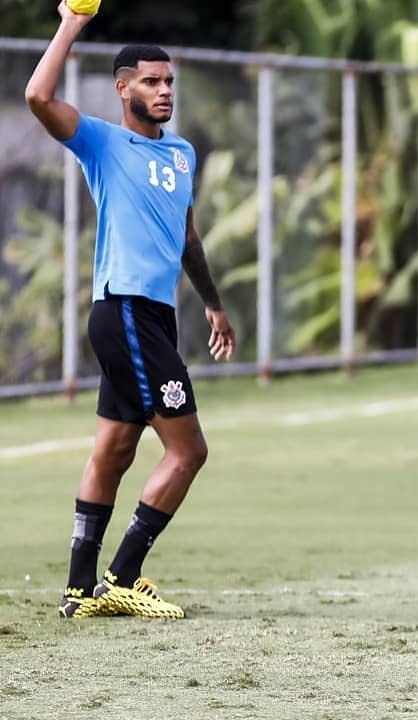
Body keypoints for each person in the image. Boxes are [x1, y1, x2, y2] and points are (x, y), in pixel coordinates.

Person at [25, 4, 236, 619]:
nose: (164, 90)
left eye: (169, 81)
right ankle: (122, 576)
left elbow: (188, 237)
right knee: (188, 451)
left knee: (114, 451)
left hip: (156, 317)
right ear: (123, 88)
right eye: (150, 81)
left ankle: (78, 589)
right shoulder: (101, 141)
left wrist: (214, 306)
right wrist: (70, 23)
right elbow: (38, 96)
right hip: (123, 312)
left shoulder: (182, 154)